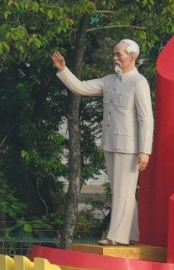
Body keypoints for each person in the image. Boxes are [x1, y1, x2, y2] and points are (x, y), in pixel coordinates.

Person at [52, 40, 153, 246]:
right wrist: (64, 70)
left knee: (124, 191)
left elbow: (146, 118)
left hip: (130, 146)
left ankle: (117, 237)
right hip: (110, 142)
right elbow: (80, 88)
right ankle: (132, 233)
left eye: (119, 54)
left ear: (132, 57)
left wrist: (145, 151)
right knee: (120, 191)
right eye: (114, 54)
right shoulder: (109, 81)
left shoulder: (139, 82)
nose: (115, 58)